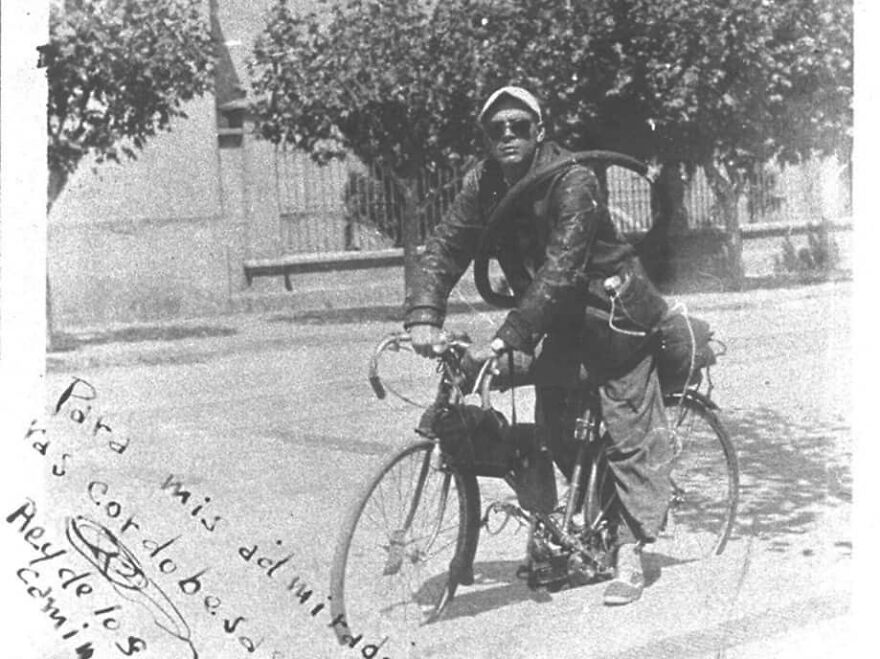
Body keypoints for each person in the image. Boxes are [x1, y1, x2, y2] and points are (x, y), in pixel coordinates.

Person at [403, 86, 673, 606]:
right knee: (551, 423)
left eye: (519, 125)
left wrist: (508, 337)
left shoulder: (574, 180)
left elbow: (562, 268)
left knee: (626, 429)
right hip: (558, 320)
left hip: (615, 318)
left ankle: (631, 554)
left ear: (539, 131)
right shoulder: (483, 184)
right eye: (496, 128)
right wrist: (423, 317)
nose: (507, 135)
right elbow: (444, 248)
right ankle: (560, 523)